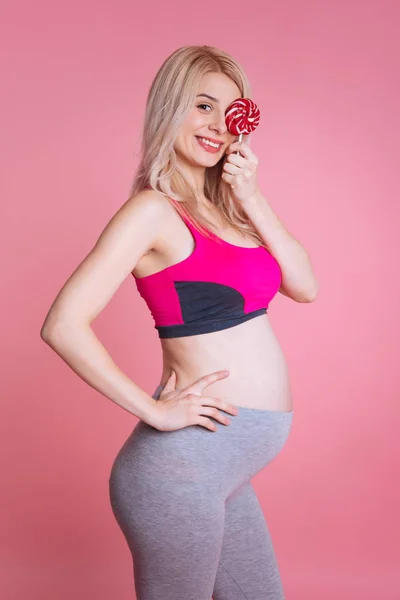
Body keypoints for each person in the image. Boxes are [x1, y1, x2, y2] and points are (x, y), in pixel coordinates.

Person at [40, 45, 318, 600]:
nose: (217, 126)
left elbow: (304, 286)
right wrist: (155, 412)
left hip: (222, 472)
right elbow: (63, 324)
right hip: (179, 473)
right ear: (171, 108)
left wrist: (252, 194)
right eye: (202, 106)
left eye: (229, 112)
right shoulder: (152, 210)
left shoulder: (231, 212)